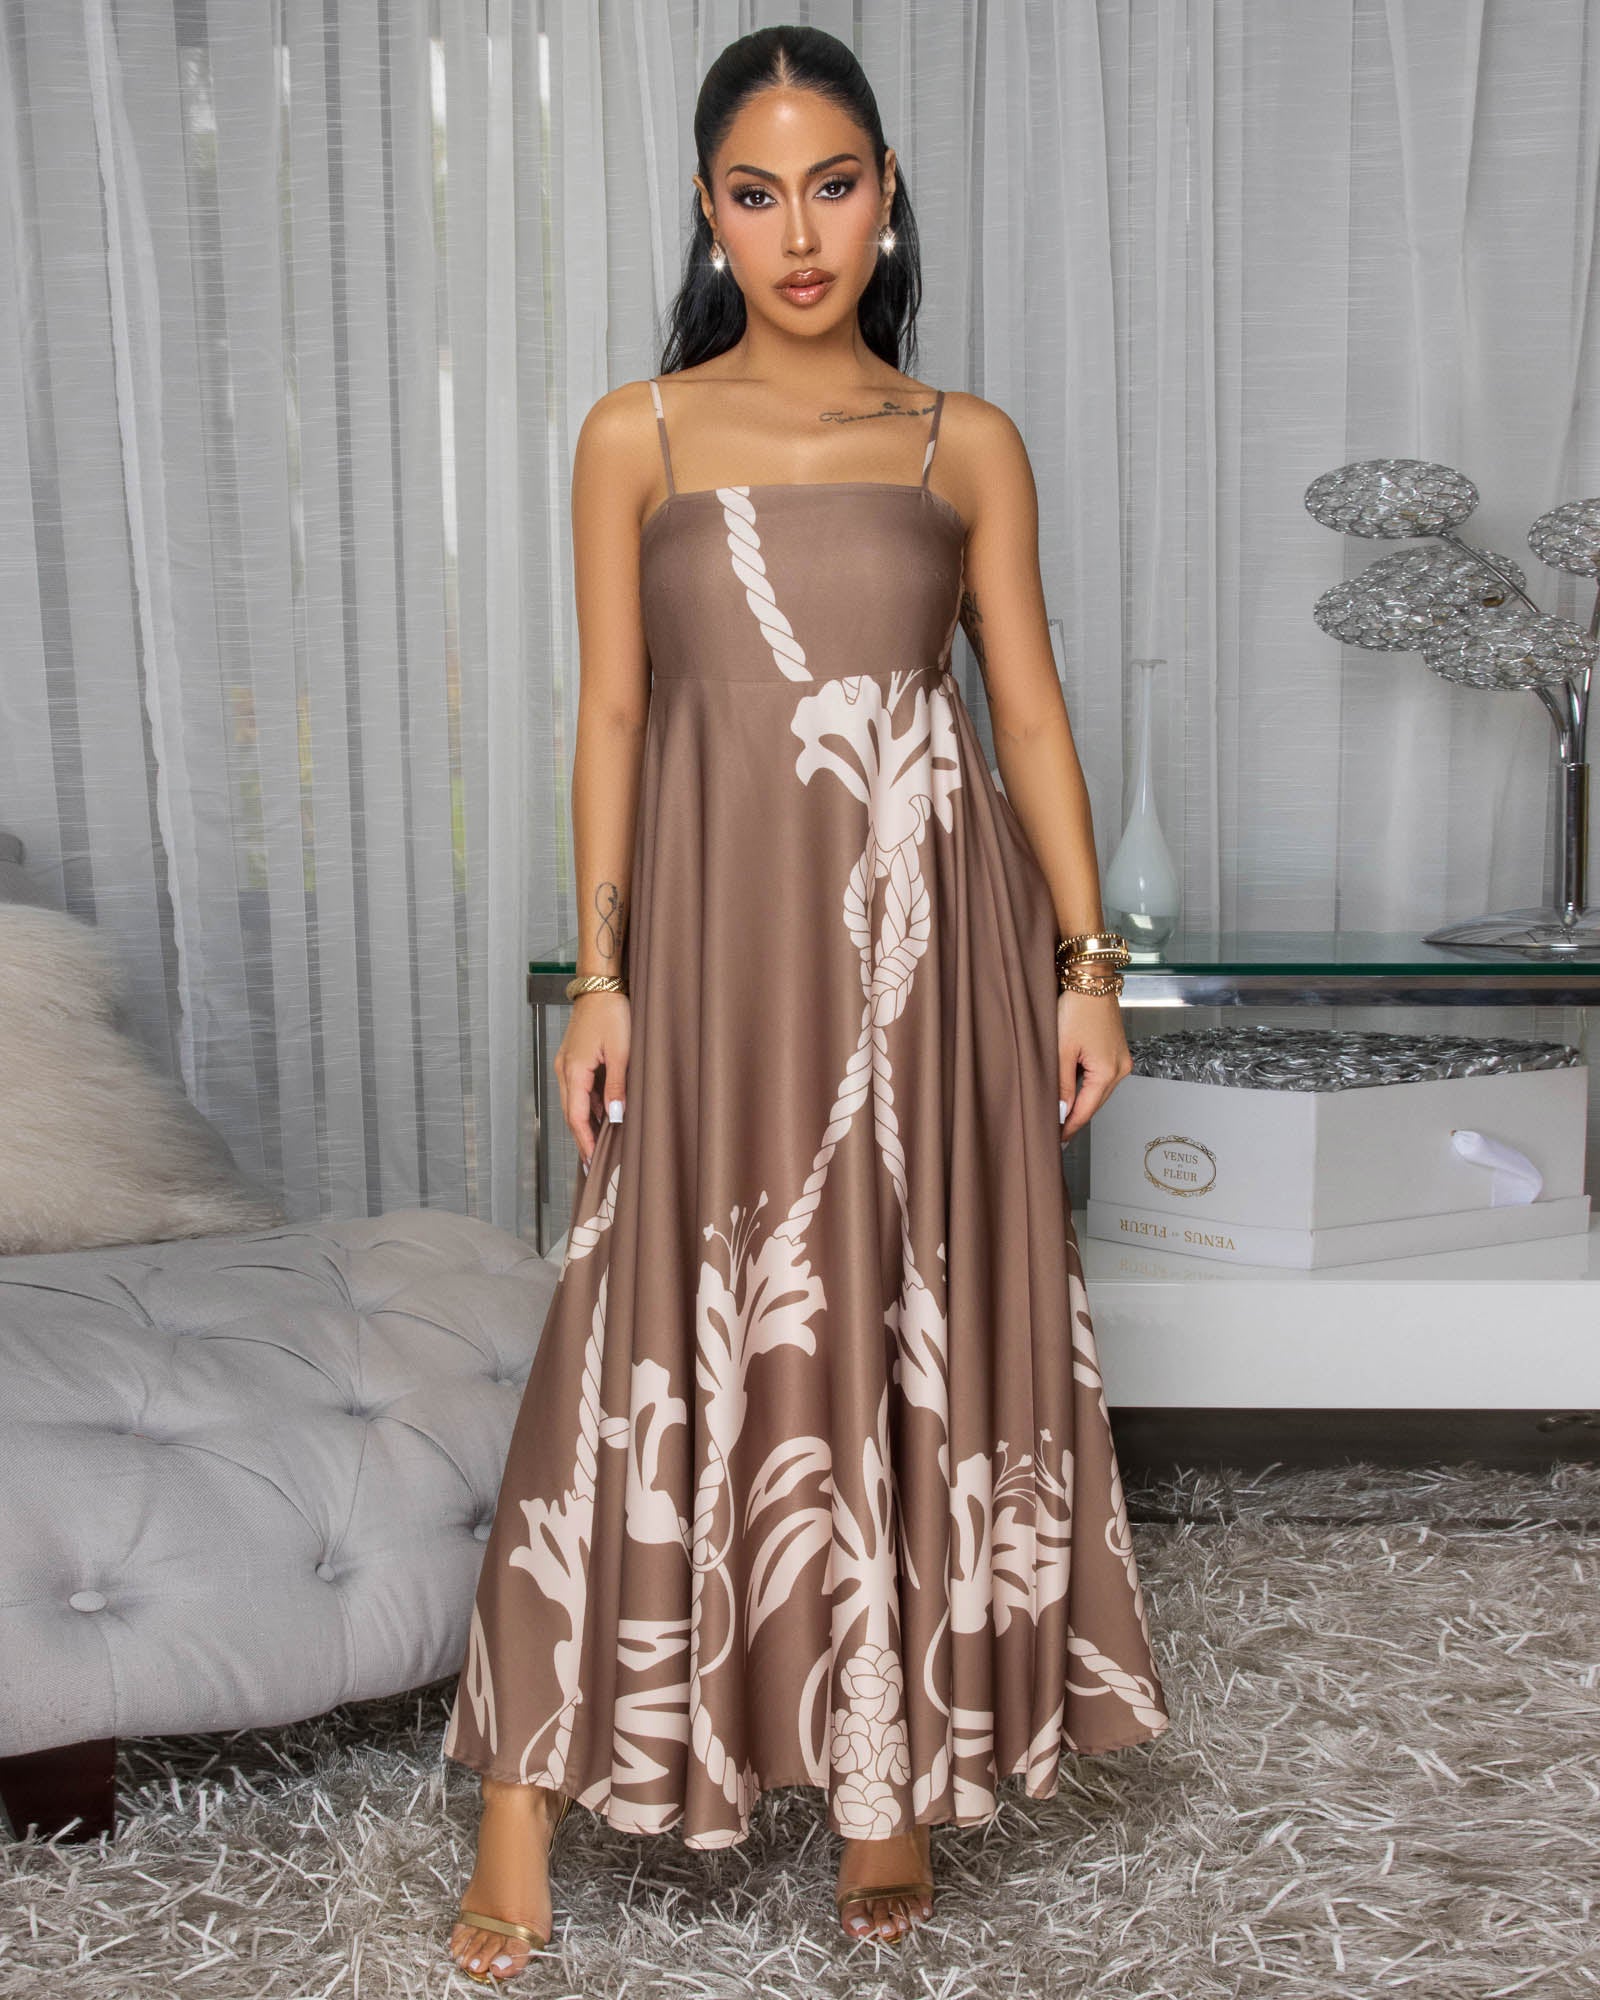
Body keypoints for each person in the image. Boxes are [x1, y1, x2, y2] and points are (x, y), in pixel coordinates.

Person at [445, 22, 1171, 1984]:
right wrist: (597, 975)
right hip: (708, 946)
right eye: (755, 194)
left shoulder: (959, 441)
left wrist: (1084, 966)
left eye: (832, 186)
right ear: (707, 209)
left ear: (883, 196)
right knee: (636, 1327)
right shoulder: (638, 432)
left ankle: (880, 1783)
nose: (797, 234)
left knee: (899, 1326)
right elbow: (613, 716)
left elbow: (1029, 716)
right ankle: (522, 1783)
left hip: (928, 951)